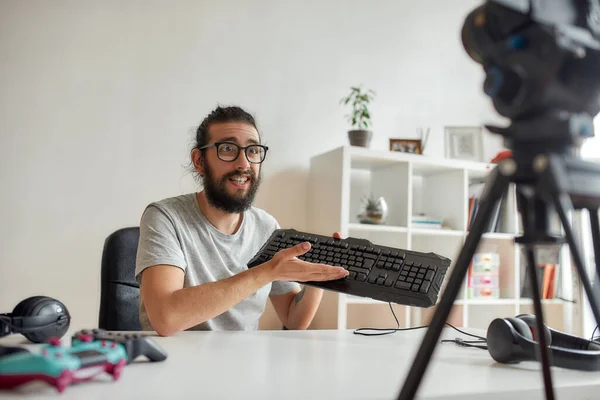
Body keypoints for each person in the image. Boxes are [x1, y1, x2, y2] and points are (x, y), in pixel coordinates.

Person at [134, 105, 349, 336]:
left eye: (253, 151)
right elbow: (166, 318)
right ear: (199, 160)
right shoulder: (165, 217)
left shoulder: (266, 227)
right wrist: (267, 272)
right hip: (175, 363)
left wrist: (320, 276)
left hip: (245, 363)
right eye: (227, 149)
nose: (244, 164)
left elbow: (293, 319)